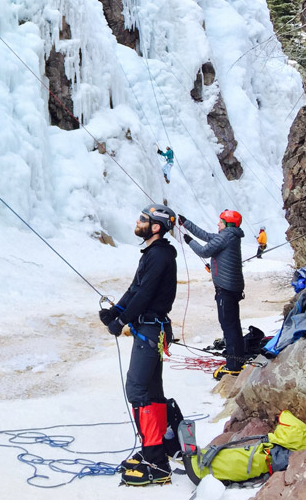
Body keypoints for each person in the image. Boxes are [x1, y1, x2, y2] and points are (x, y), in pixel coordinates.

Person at [99, 203, 178, 486]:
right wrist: (116, 312)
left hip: (150, 327)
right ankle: (157, 453)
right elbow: (135, 288)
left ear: (155, 227)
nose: (138, 221)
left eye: (143, 219)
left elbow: (144, 294)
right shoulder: (154, 253)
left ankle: (155, 461)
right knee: (151, 390)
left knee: (138, 389)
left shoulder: (158, 256)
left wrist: (122, 322)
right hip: (149, 327)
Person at [178, 209, 245, 379]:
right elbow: (207, 235)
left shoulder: (226, 236)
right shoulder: (230, 235)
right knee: (233, 325)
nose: (218, 224)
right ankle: (237, 359)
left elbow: (203, 251)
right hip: (231, 289)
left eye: (220, 222)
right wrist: (186, 223)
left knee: (229, 326)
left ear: (227, 224)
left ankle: (233, 365)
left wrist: (189, 241)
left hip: (226, 290)